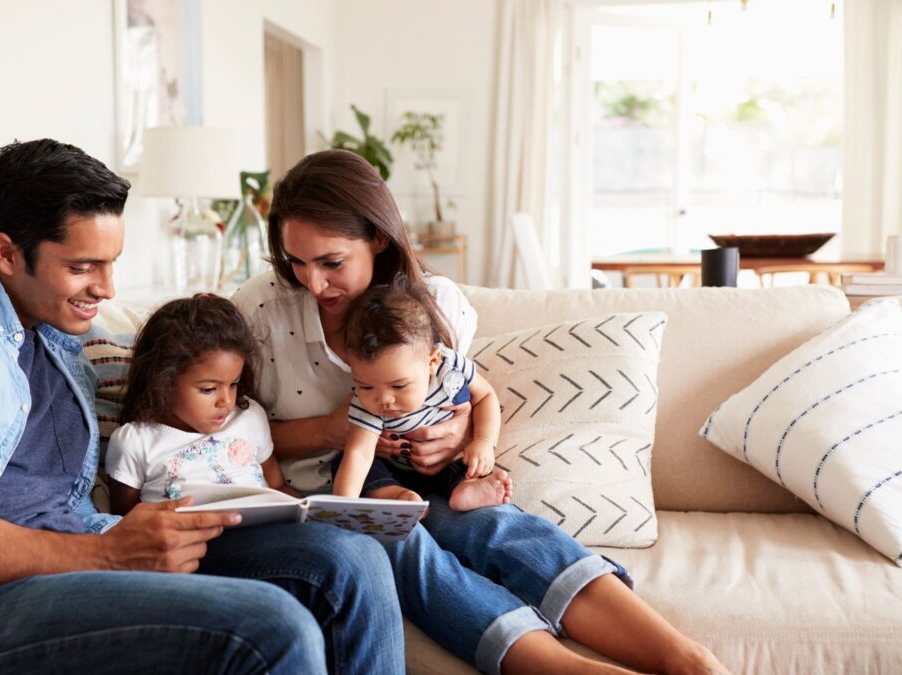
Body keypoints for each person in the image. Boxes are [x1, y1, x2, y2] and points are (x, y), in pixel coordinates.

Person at [0, 139, 404, 675]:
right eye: (82, 267)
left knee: (349, 559)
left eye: (110, 263)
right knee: (271, 628)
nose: (106, 289)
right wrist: (104, 554)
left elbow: (175, 369)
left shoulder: (60, 341)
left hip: (89, 551)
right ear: (6, 253)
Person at [233, 149, 730, 675]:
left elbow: (462, 397)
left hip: (427, 476)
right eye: (296, 262)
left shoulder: (435, 304)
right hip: (329, 495)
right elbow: (224, 437)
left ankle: (688, 660)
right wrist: (329, 431)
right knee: (396, 542)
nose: (313, 283)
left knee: (494, 525)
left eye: (332, 262)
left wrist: (459, 436)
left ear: (378, 238)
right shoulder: (260, 310)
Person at [332, 275, 513, 512]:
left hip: (448, 463)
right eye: (366, 386)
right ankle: (394, 495)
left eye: (399, 386)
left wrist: (484, 442)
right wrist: (341, 509)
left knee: (470, 463)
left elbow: (486, 396)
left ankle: (466, 489)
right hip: (396, 472)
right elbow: (360, 454)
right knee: (344, 462)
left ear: (432, 361)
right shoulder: (366, 404)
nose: (384, 400)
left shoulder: (448, 370)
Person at [105, 294, 296, 514]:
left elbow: (277, 487)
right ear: (162, 382)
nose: (227, 401)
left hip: (266, 528)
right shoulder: (135, 442)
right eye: (208, 389)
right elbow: (126, 520)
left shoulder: (249, 416)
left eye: (233, 384)